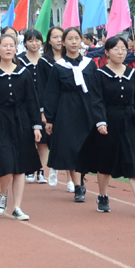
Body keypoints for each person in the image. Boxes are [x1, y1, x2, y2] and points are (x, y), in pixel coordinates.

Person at [76, 35, 135, 216]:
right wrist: (100, 121)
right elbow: (97, 100)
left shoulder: (132, 73)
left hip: (129, 121)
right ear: (107, 52)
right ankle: (103, 196)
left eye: (124, 49)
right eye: (116, 49)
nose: (120, 52)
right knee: (106, 161)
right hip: (108, 121)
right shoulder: (99, 74)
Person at [0, 34, 42, 221]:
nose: (8, 49)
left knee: (21, 166)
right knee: (6, 162)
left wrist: (36, 126)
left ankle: (17, 207)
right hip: (0, 121)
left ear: (16, 49)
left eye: (12, 45)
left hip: (21, 121)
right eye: (4, 45)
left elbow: (32, 100)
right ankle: (3, 193)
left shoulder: (23, 73)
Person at [44, 27, 98, 203]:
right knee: (72, 148)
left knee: (86, 147)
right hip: (66, 110)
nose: (74, 42)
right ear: (63, 42)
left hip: (87, 109)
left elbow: (97, 90)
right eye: (70, 39)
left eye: (77, 38)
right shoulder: (58, 67)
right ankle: (78, 186)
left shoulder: (89, 64)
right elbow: (51, 94)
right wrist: (50, 119)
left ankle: (81, 178)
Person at [17, 29, 50, 184]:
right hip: (25, 105)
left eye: (37, 40)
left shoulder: (46, 61)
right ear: (25, 43)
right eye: (30, 40)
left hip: (43, 104)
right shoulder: (19, 61)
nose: (34, 43)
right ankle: (29, 169)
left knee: (43, 140)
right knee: (28, 138)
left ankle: (41, 171)